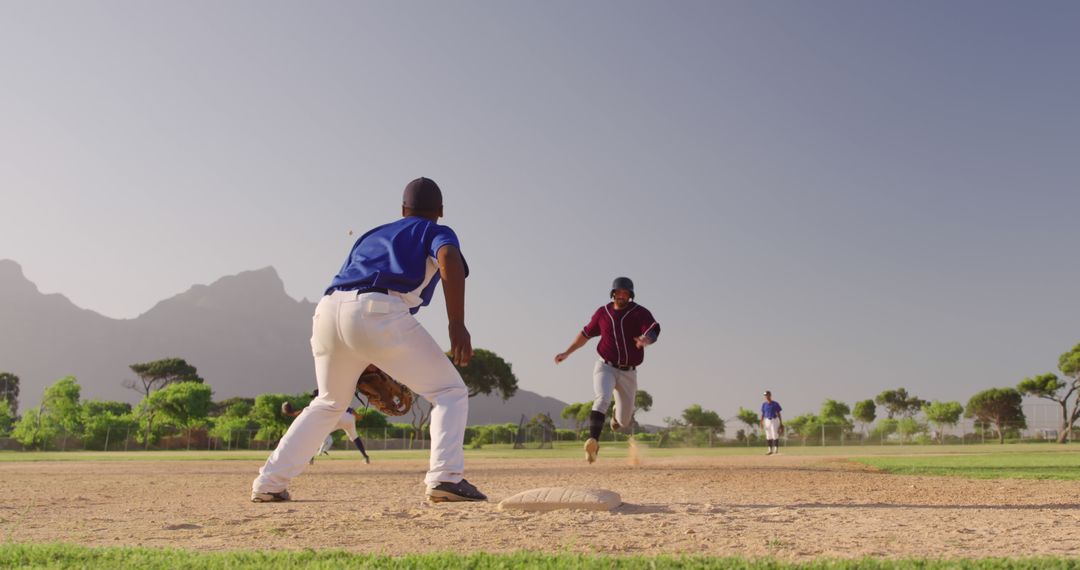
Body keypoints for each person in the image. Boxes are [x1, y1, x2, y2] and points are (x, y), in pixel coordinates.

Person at [252, 176, 485, 503]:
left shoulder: (372, 234)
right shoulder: (436, 230)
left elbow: (352, 286)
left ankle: (269, 483)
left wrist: (363, 352)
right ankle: (446, 478)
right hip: (378, 310)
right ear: (441, 210)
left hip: (327, 311)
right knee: (449, 391)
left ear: (403, 209)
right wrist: (457, 323)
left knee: (329, 403)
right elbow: (449, 259)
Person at [554, 277, 660, 463]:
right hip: (605, 366)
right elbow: (585, 334)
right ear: (613, 293)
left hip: (629, 372)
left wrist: (646, 340)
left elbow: (654, 329)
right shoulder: (603, 313)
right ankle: (593, 441)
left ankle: (616, 415)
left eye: (626, 293)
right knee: (602, 398)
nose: (622, 296)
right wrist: (567, 352)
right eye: (618, 292)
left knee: (624, 421)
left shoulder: (639, 312)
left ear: (630, 296)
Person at [281, 391, 371, 464]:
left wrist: (292, 413)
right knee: (355, 437)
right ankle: (365, 457)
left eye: (314, 396)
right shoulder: (333, 397)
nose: (313, 398)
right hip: (349, 418)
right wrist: (358, 416)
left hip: (337, 417)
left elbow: (305, 411)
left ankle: (310, 458)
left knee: (317, 436)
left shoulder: (318, 401)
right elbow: (350, 409)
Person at [760, 390, 783, 455]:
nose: (766, 396)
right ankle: (770, 450)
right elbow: (763, 413)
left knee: (775, 434)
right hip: (767, 420)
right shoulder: (764, 404)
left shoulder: (775, 403)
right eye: (765, 395)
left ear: (770, 395)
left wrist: (781, 423)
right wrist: (761, 422)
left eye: (767, 395)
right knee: (768, 435)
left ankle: (776, 449)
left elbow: (779, 413)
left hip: (774, 420)